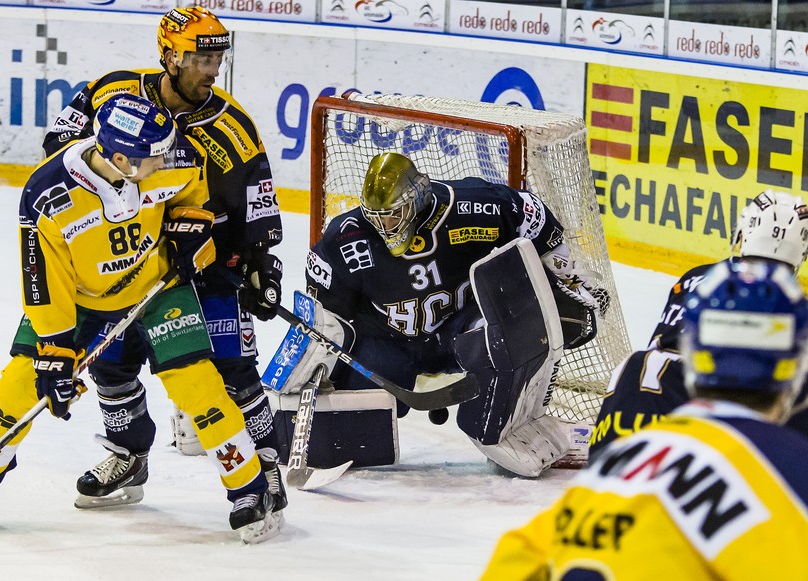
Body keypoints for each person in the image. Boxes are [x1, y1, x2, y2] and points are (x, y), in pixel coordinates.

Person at [0, 94, 279, 543]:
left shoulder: (168, 157)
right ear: (119, 158)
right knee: (20, 384)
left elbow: (191, 190)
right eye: (154, 157)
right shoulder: (48, 196)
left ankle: (251, 489)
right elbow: (43, 283)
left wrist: (190, 225)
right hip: (79, 300)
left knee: (196, 384)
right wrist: (57, 354)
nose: (165, 161)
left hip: (158, 289)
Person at [42, 6, 286, 514]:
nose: (212, 69)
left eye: (218, 57)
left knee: (233, 371)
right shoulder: (111, 91)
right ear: (170, 56)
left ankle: (263, 464)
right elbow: (59, 151)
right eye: (200, 57)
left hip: (208, 266)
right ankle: (128, 454)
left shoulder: (235, 127)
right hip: (125, 262)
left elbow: (258, 199)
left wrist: (262, 262)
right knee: (112, 366)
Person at [267, 152, 605, 478]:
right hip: (389, 347)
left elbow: (532, 213)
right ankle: (264, 420)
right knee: (353, 429)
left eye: (394, 214)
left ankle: (511, 423)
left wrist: (563, 273)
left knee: (513, 326)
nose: (385, 225)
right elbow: (324, 321)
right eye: (376, 216)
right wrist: (312, 369)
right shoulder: (346, 240)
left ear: (417, 199)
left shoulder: (474, 207)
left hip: (457, 334)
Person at [481, 259, 808, 579]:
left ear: (692, 357)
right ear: (795, 367)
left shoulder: (625, 459)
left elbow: (516, 557)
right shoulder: (786, 466)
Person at [589, 189, 808, 461]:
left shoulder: (695, 279)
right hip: (713, 432)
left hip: (629, 408)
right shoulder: (790, 305)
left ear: (743, 233)